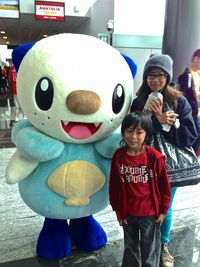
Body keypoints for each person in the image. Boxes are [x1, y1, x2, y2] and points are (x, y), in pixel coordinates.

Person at [130, 54, 198, 267]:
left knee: (164, 208)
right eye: (151, 75)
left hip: (169, 167)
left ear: (168, 76)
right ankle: (147, 243)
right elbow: (132, 135)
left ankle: (163, 246)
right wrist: (155, 121)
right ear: (145, 77)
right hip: (142, 163)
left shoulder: (179, 101)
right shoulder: (138, 101)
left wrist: (170, 124)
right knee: (144, 205)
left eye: (160, 75)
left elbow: (190, 136)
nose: (155, 80)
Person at [109, 111, 171, 267]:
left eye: (139, 132)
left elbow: (164, 186)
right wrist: (117, 209)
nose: (133, 136)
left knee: (149, 249)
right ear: (123, 131)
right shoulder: (119, 157)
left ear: (147, 134)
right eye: (129, 131)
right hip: (127, 212)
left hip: (150, 214)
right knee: (130, 248)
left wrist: (163, 210)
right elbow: (114, 185)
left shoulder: (154, 157)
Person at [178, 49, 200, 160]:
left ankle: (192, 158)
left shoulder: (197, 75)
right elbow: (184, 95)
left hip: (197, 113)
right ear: (196, 59)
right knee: (193, 136)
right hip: (192, 113)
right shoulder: (187, 75)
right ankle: (189, 158)